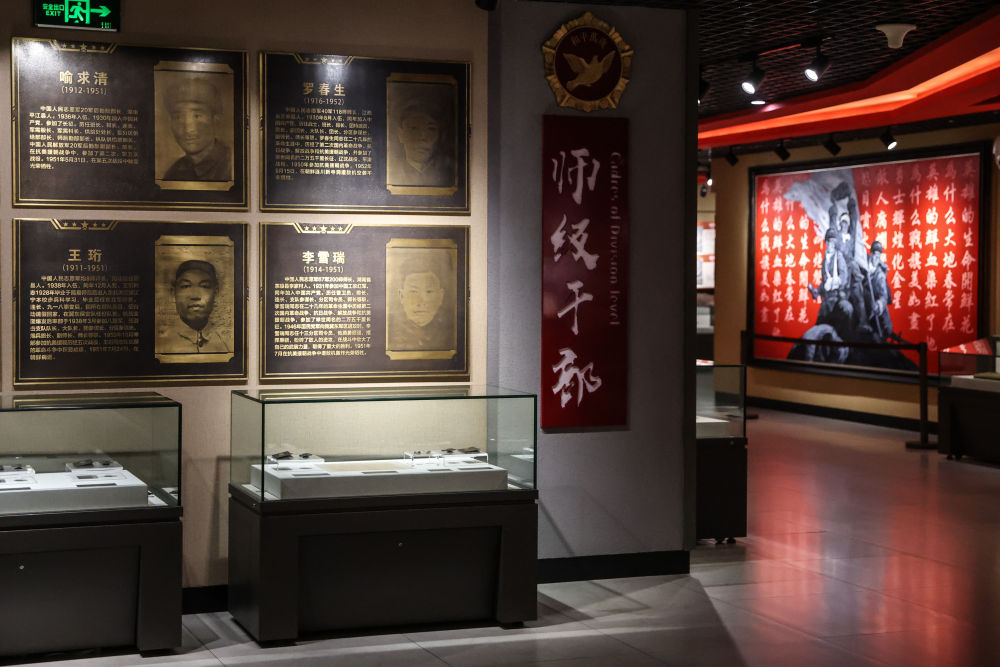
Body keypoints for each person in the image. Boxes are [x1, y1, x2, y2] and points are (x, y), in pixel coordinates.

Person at [162, 77, 231, 181]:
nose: (188, 129)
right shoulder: (173, 173)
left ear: (215, 120)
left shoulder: (230, 165)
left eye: (197, 116)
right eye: (178, 117)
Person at [156, 260, 229, 354]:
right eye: (186, 286)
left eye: (204, 286)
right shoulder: (159, 344)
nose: (195, 296)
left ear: (216, 292)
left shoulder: (227, 343)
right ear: (173, 292)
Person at [387, 261, 453, 350]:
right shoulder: (389, 331)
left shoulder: (450, 332)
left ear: (440, 296)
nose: (421, 301)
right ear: (402, 296)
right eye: (413, 292)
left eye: (429, 291)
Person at [390, 99, 453, 187]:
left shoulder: (450, 174)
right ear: (401, 135)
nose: (422, 137)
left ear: (440, 135)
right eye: (414, 128)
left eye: (431, 129)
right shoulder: (391, 171)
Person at [866, 240, 893, 338]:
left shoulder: (880, 274)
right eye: (874, 254)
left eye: (878, 256)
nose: (875, 258)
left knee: (886, 328)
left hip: (875, 302)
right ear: (871, 254)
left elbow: (883, 295)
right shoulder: (863, 264)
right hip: (864, 299)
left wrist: (879, 304)